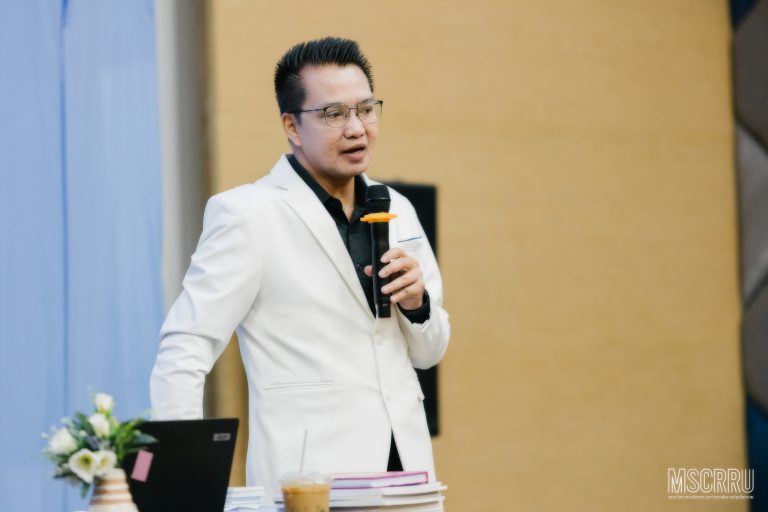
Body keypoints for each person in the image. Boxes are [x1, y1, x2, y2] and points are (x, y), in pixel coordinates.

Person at [150, 37, 450, 502]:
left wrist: (418, 305)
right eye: (334, 114)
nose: (357, 128)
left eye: (366, 109)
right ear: (291, 125)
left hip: (408, 477)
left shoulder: (398, 209)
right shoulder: (248, 214)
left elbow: (430, 352)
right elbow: (187, 343)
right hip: (310, 479)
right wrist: (176, 481)